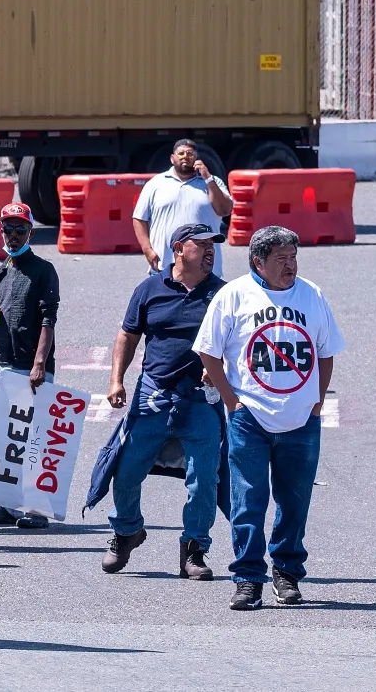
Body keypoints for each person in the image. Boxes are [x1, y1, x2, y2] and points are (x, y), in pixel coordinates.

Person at [194, 224, 344, 611]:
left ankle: (287, 572)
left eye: (293, 257)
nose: (290, 265)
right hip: (250, 417)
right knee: (248, 502)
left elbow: (326, 352)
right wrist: (231, 401)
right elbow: (208, 351)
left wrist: (317, 401)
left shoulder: (312, 295)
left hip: (302, 418)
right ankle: (247, 579)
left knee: (295, 502)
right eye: (281, 259)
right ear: (258, 262)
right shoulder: (233, 296)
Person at [100, 223, 226, 579]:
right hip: (153, 396)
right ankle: (127, 531)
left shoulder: (223, 294)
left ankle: (194, 550)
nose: (209, 251)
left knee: (204, 479)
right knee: (125, 472)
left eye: (212, 246)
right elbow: (128, 335)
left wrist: (221, 367)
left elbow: (240, 341)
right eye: (200, 245)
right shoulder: (150, 289)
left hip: (200, 400)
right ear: (178, 250)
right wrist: (115, 380)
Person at [0, 202, 60, 529]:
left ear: (30, 232)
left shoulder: (43, 270)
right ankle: (7, 507)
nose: (13, 235)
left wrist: (39, 364)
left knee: (32, 440)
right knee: (4, 440)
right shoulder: (0, 271)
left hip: (29, 369)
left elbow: (48, 319)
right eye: (8, 229)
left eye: (20, 229)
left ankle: (37, 509)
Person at [133, 140, 232, 276]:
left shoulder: (212, 182)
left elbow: (225, 210)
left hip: (205, 270)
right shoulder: (155, 184)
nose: (185, 156)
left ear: (197, 158)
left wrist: (208, 178)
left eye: (190, 154)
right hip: (165, 266)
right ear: (172, 158)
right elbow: (139, 218)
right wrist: (147, 249)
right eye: (181, 153)